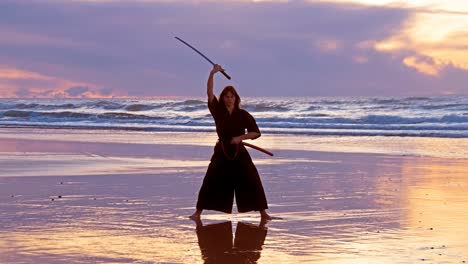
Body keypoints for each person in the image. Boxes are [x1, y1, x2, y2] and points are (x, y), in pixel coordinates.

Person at [190, 64, 271, 220]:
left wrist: (240, 138)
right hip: (221, 151)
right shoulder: (217, 111)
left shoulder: (243, 114)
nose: (229, 99)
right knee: (210, 180)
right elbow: (209, 92)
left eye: (231, 96)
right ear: (223, 98)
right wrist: (212, 73)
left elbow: (256, 132)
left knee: (252, 179)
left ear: (236, 98)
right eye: (226, 96)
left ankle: (263, 213)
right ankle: (197, 213)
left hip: (239, 151)